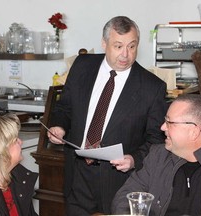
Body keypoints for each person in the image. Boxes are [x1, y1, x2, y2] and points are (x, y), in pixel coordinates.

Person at [48, 16, 167, 215]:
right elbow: (65, 108)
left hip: (119, 181)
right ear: (104, 44)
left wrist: (134, 159)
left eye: (132, 46)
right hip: (78, 174)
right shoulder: (82, 66)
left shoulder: (151, 87)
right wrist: (59, 126)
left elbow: (156, 139)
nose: (125, 54)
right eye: (118, 46)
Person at [111, 94, 201, 216]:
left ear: (194, 132)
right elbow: (126, 196)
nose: (162, 127)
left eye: (169, 122)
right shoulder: (159, 155)